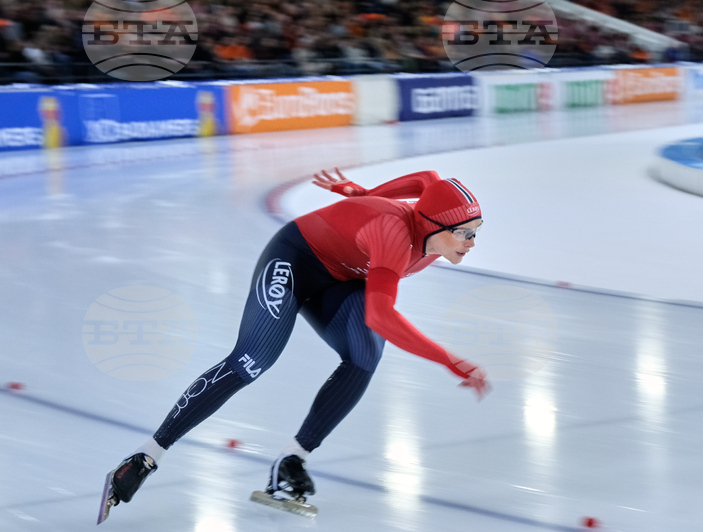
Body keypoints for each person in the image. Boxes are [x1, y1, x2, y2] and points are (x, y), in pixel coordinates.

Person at [103, 169, 491, 512]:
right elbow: (380, 314)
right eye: (463, 233)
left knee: (364, 355)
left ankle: (292, 460)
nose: (471, 242)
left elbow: (428, 180)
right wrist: (448, 360)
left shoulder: (434, 236)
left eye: (475, 231)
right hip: (295, 258)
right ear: (431, 224)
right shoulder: (394, 235)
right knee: (252, 360)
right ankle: (145, 456)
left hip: (341, 275)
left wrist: (364, 194)